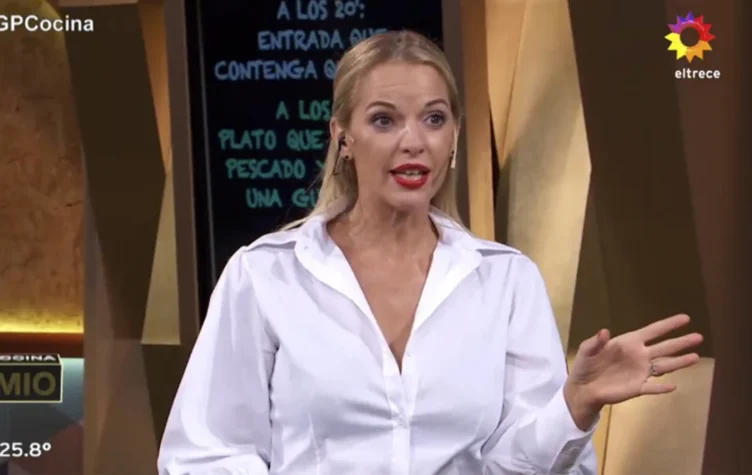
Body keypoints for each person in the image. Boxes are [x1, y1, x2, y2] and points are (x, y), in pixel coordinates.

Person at [157, 30, 703, 474]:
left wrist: (573, 407)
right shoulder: (265, 275)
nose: (414, 142)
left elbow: (514, 467)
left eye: (434, 119)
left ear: (454, 136)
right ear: (343, 136)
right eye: (384, 119)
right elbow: (205, 455)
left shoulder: (506, 281)